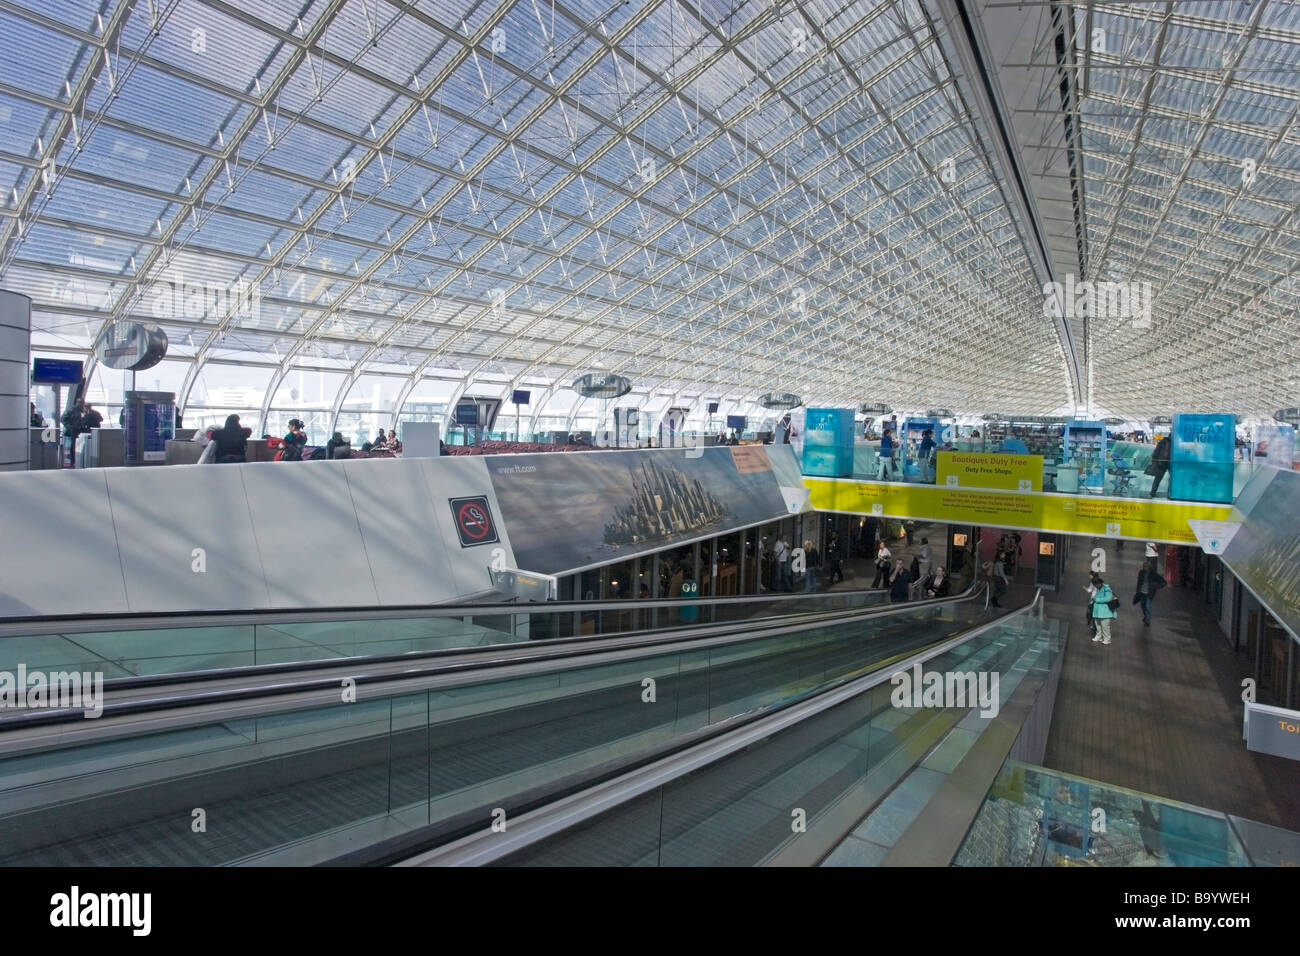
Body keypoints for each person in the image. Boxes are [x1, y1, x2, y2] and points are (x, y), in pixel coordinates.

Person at [1086, 573, 1117, 645]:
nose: (1095, 586)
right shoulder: (1099, 589)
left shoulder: (1106, 589)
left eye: (1096, 585)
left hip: (1105, 612)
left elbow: (1108, 598)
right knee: (1098, 625)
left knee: (1105, 626)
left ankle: (1107, 639)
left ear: (1099, 583)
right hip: (1098, 611)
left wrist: (1097, 599)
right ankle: (1098, 636)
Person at [1134, 559, 1165, 626]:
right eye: (1144, 566)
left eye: (1145, 566)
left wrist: (1155, 586)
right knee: (1142, 606)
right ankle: (1146, 616)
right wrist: (1137, 592)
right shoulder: (1141, 573)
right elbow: (1139, 583)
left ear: (1149, 567)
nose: (1144, 567)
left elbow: (1163, 582)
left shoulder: (1154, 575)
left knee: (1148, 606)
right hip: (1142, 593)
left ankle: (1147, 620)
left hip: (1149, 593)